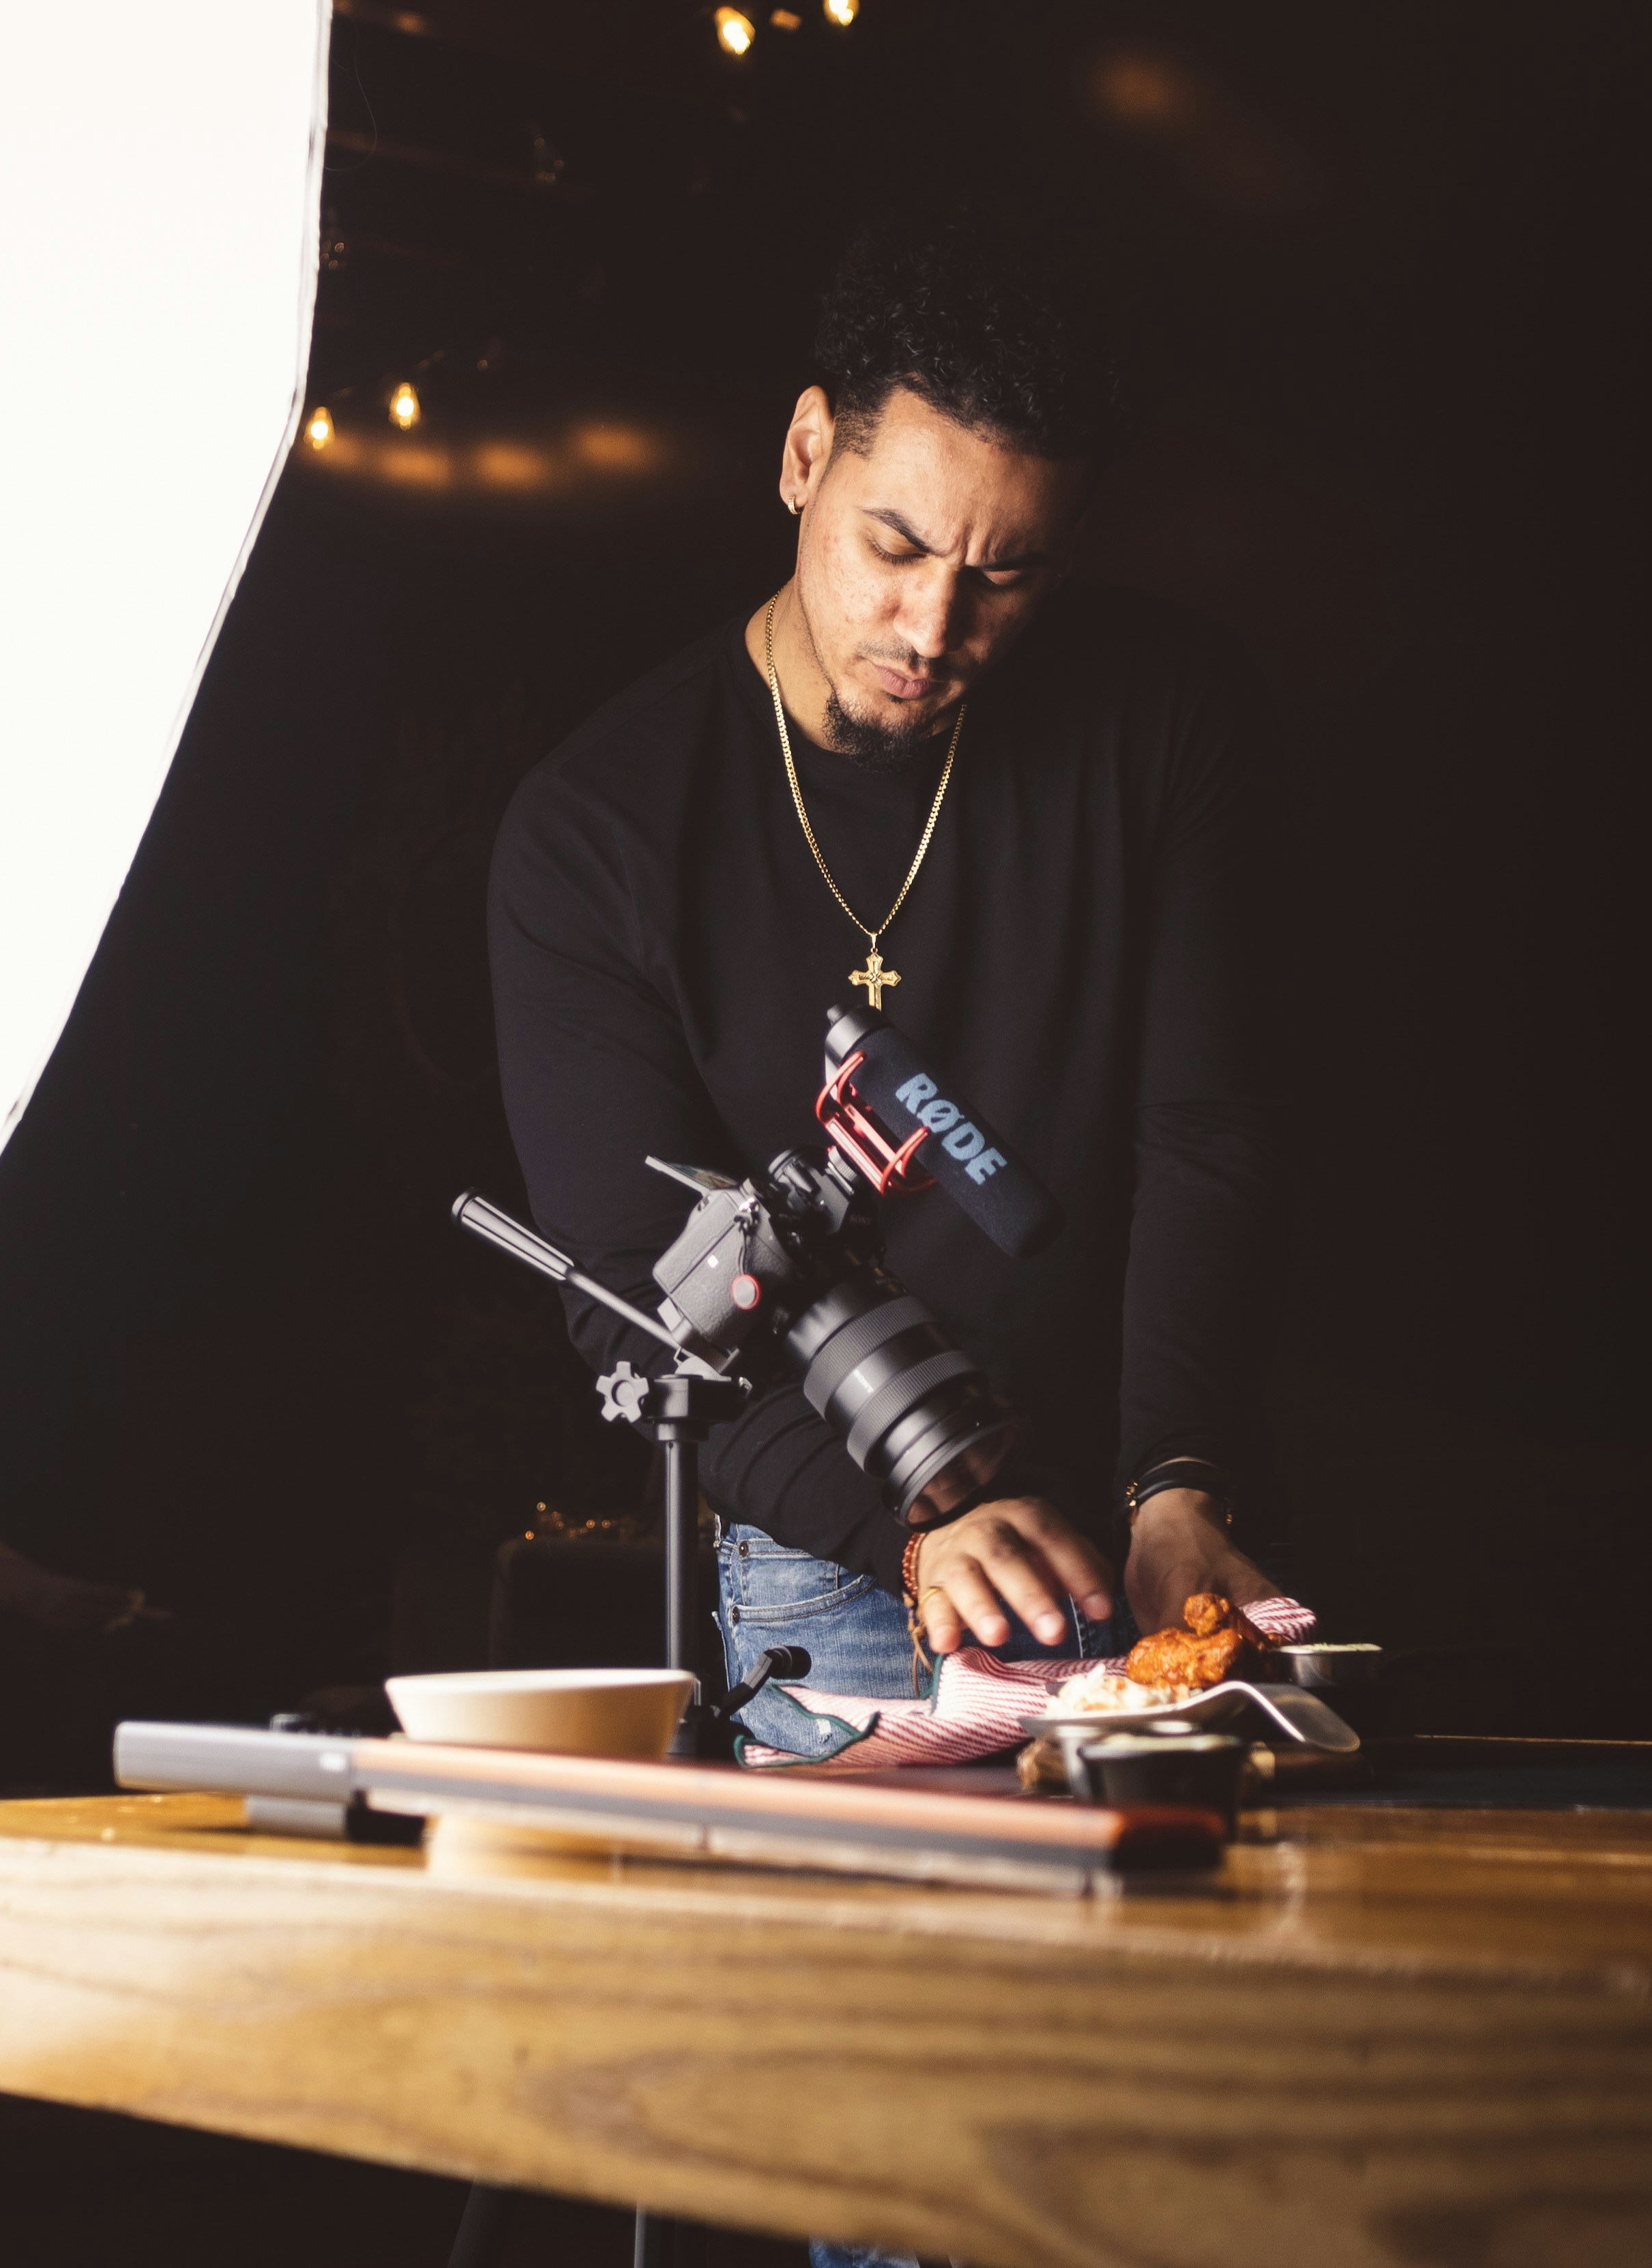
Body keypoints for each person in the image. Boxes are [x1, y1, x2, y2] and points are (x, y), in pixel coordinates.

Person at [487, 208, 1290, 1781]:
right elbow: (625, 1289)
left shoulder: (1167, 721)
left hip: (1158, 1510)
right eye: (895, 548)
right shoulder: (595, 832)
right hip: (840, 1564)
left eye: (1005, 576)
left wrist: (1175, 1483)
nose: (934, 630)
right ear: (802, 456)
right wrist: (908, 1522)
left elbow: (1206, 1134)